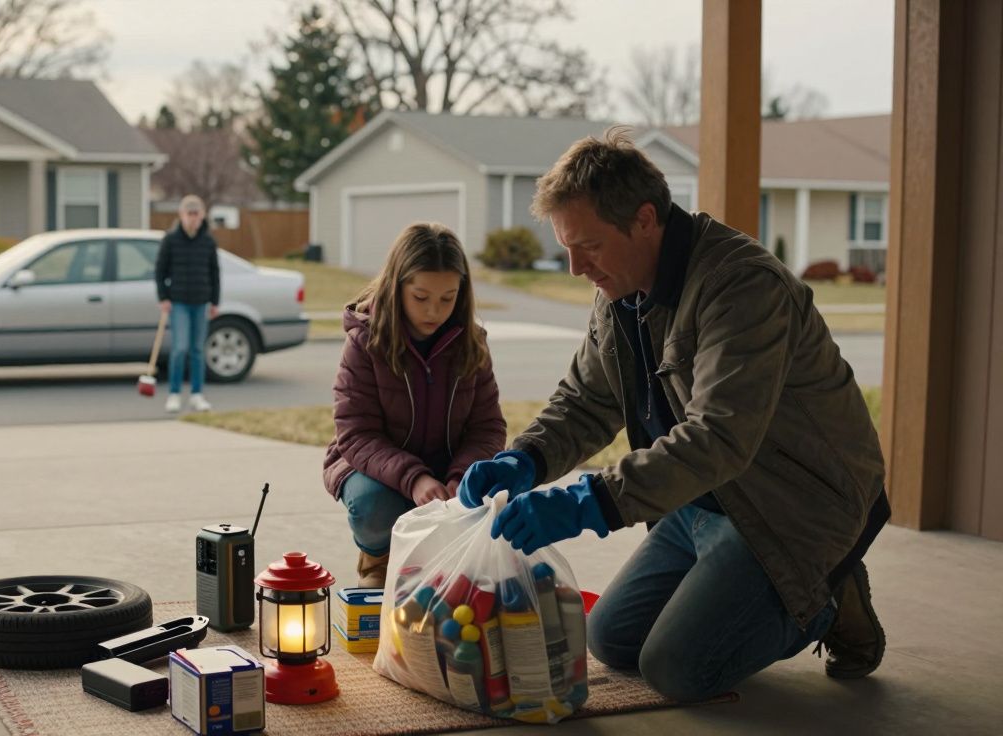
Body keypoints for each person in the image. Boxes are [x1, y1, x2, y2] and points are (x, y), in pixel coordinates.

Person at [458, 127, 890, 701]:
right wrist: (525, 459)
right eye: (567, 246)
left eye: (586, 245)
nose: (573, 267)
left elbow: (719, 438)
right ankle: (762, 589)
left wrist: (588, 501)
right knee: (611, 639)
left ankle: (826, 597)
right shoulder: (620, 287)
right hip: (700, 502)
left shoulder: (742, 287)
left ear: (643, 220)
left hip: (791, 505)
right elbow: (586, 399)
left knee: (677, 669)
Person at [324, 223, 507, 587]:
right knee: (373, 508)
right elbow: (356, 433)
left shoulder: (473, 345)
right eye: (421, 297)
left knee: (490, 494)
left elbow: (488, 427)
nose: (434, 311)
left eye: (448, 297)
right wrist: (414, 478)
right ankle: (378, 563)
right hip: (376, 472)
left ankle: (444, 571)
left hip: (448, 468)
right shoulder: (364, 342)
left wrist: (461, 476)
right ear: (396, 287)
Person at [155, 194, 220, 413]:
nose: (193, 219)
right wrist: (163, 297)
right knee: (180, 348)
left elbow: (214, 272)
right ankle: (174, 393)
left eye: (196, 214)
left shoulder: (208, 241)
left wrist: (215, 301)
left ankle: (197, 394)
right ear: (181, 216)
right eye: (189, 214)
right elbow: (160, 270)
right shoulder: (171, 240)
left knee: (197, 350)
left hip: (201, 301)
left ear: (202, 216)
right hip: (179, 302)